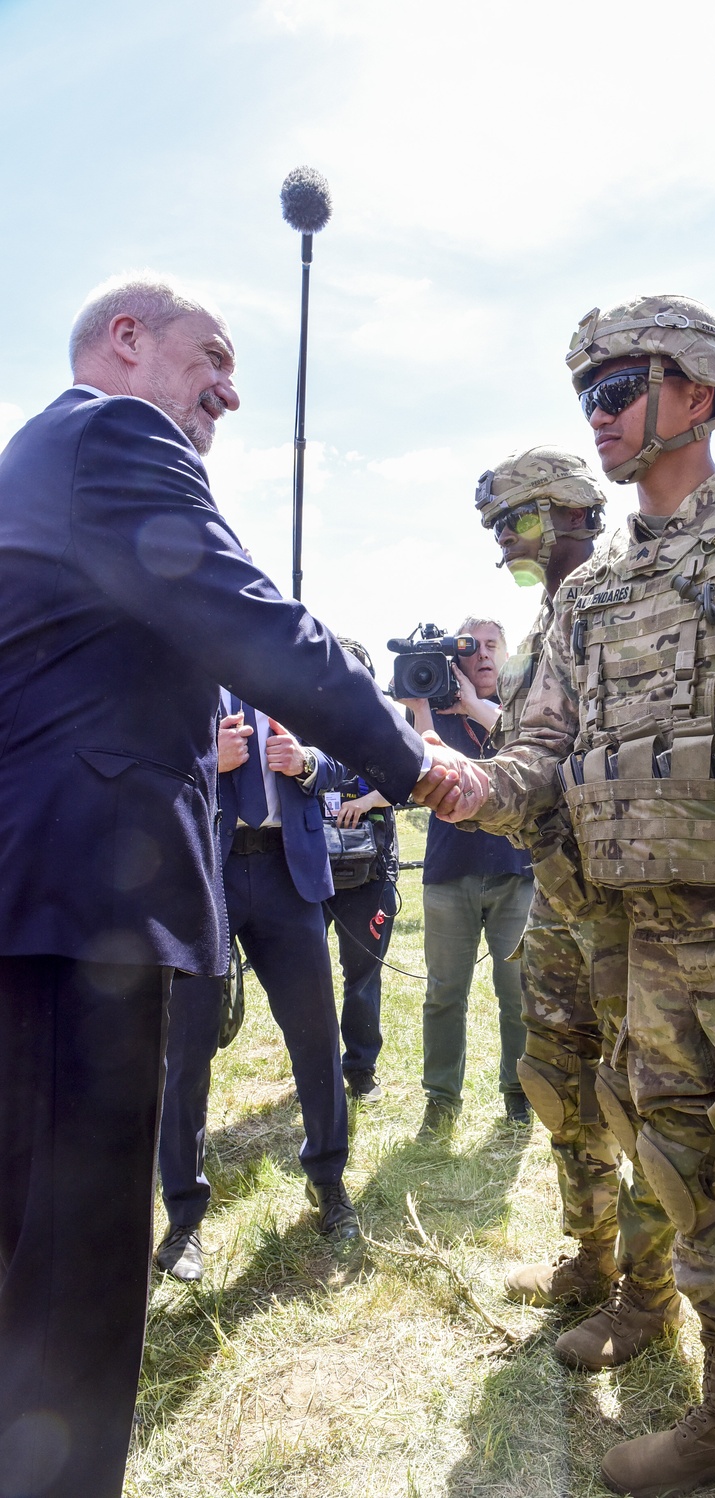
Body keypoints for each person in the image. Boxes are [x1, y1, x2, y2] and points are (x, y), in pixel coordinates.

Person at [0, 272, 478, 1498]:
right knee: (72, 1275)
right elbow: (256, 622)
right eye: (210, 354)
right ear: (125, 341)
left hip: (44, 896)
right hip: (78, 917)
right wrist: (415, 758)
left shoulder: (40, 462)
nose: (230, 387)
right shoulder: (113, 437)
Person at [442, 297, 715, 1498]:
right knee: (687, 1194)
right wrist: (467, 782)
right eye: (586, 393)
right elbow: (541, 752)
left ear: (699, 389)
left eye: (620, 386)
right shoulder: (584, 598)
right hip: (640, 948)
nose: (600, 413)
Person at [476, 449, 683, 1371]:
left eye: (514, 524)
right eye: (495, 531)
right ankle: (591, 1257)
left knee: (644, 1101)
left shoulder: (632, 601)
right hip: (558, 901)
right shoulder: (539, 632)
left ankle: (650, 1295)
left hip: (637, 906)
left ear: (572, 514)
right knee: (560, 1085)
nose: (504, 546)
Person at [156, 698, 355, 1285]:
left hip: (286, 876)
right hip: (204, 874)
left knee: (317, 1037)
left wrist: (307, 763)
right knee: (186, 1051)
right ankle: (183, 1219)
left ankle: (329, 1183)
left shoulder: (290, 674)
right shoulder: (183, 672)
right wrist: (205, 762)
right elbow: (149, 763)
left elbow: (346, 757)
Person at [402, 618, 534, 1133]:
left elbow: (521, 746)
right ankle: (440, 1100)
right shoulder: (432, 707)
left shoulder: (524, 706)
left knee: (517, 991)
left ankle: (519, 1092)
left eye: (491, 646)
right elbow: (414, 767)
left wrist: (471, 706)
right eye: (470, 647)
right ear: (454, 658)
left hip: (513, 872)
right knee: (444, 993)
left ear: (505, 655)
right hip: (450, 872)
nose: (481, 655)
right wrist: (420, 707)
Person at [324, 636, 399, 1106]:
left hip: (369, 873)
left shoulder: (386, 724)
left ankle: (360, 1070)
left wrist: (370, 799)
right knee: (307, 979)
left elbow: (416, 778)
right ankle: (316, 1069)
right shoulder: (302, 720)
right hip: (311, 869)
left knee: (362, 976)